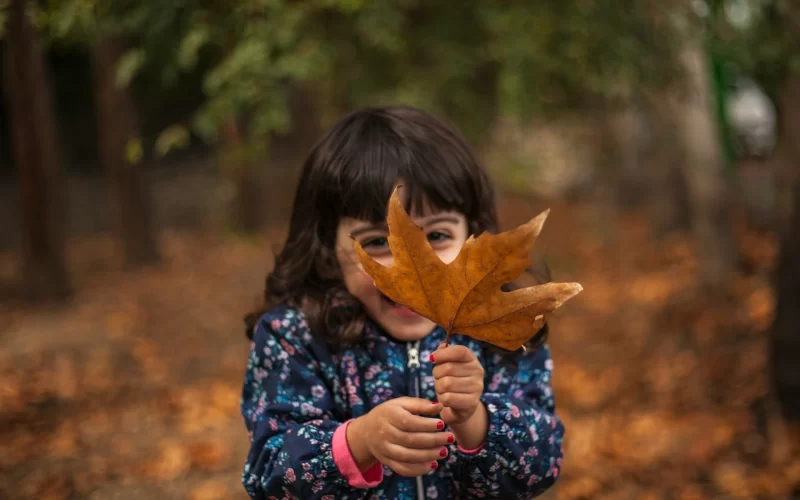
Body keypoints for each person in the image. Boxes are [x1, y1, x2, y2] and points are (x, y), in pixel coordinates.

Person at [240, 105, 564, 500]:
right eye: (377, 242)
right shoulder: (295, 336)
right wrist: (358, 441)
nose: (411, 269)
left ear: (472, 237)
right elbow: (268, 473)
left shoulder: (505, 333)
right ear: (327, 248)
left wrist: (475, 419)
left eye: (439, 235)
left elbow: (543, 464)